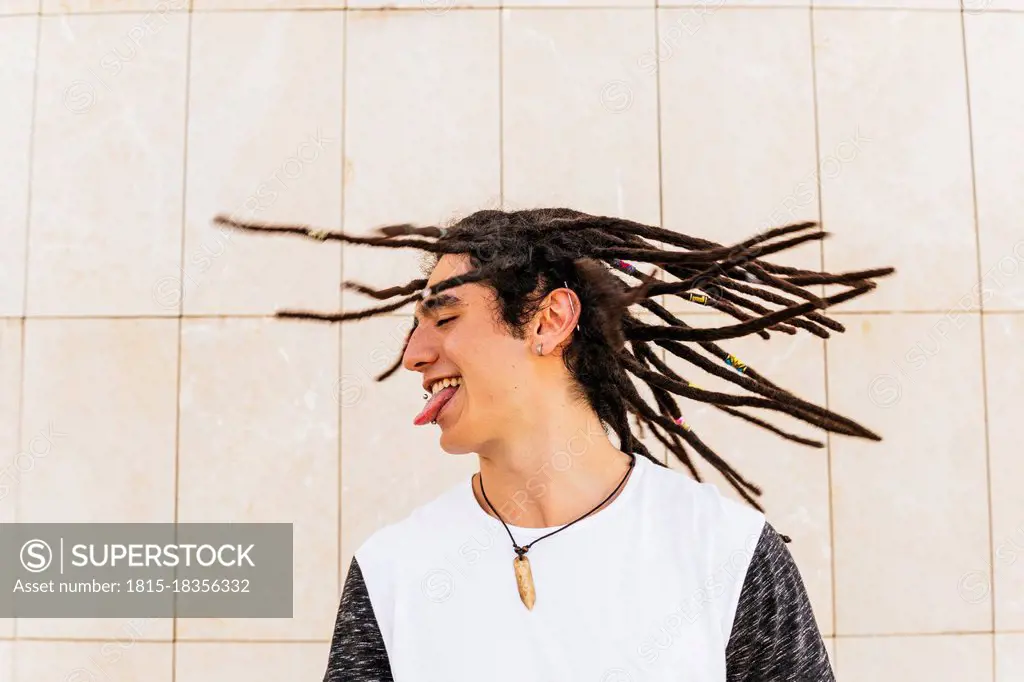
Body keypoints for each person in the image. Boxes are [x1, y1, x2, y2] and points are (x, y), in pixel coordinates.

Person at [216, 208, 893, 682]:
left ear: (550, 320)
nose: (415, 355)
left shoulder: (723, 549)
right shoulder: (393, 571)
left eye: (444, 318)